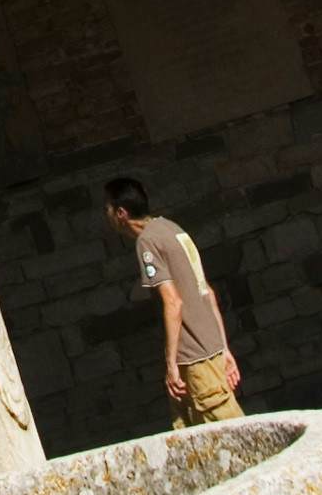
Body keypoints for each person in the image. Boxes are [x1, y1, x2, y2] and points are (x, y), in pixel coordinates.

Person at [103, 179, 243, 425]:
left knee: (238, 438)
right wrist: (224, 349)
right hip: (208, 355)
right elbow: (207, 292)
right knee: (190, 441)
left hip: (194, 361)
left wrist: (170, 364)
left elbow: (173, 302)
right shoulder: (173, 229)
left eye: (108, 207)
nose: (106, 214)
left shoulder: (147, 241)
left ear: (121, 212)